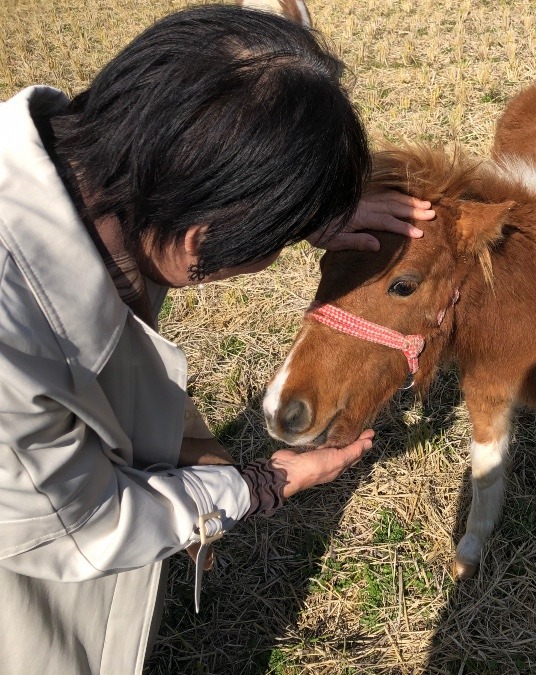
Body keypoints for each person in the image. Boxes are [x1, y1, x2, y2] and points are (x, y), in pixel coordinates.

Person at [0, 6, 434, 674]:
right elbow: (82, 524)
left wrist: (295, 206)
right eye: (273, 243)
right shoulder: (10, 345)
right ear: (202, 239)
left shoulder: (86, 158)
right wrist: (262, 483)